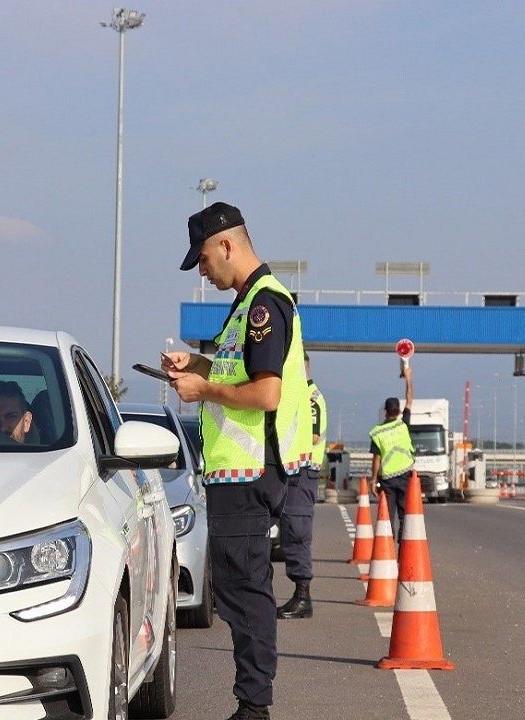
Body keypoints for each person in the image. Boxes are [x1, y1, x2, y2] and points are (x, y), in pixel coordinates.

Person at [162, 202, 311, 720]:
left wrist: (202, 388)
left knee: (244, 591)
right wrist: (197, 365)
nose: (203, 271)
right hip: (239, 474)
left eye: (203, 258)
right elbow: (239, 371)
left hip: (251, 472)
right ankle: (253, 704)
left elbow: (266, 393)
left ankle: (254, 708)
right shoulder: (247, 304)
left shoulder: (265, 305)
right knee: (237, 587)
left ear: (227, 244)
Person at [277, 351, 325, 620]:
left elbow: (313, 434)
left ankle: (303, 596)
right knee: (290, 530)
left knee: (296, 531)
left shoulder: (309, 398)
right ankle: (299, 594)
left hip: (303, 469)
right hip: (295, 469)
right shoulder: (301, 395)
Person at [370, 363, 415, 540]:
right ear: (398, 411)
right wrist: (409, 378)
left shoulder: (377, 432)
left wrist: (373, 480)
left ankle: (387, 551)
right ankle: (404, 551)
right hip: (406, 476)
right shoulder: (404, 424)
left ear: (386, 411)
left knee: (387, 516)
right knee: (405, 516)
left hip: (387, 480)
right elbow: (410, 399)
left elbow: (376, 459)